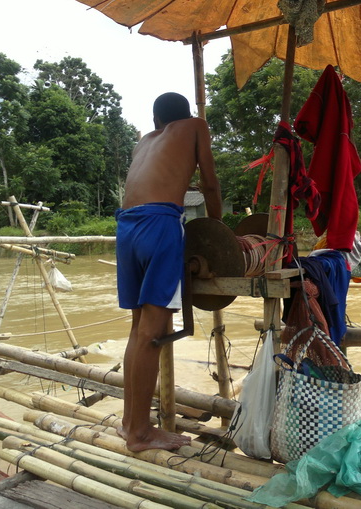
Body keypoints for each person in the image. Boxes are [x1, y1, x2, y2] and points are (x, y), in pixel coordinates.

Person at [115, 92, 222, 452]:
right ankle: (141, 434)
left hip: (127, 228)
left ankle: (130, 422)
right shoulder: (196, 126)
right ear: (185, 115)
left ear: (157, 120)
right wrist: (220, 228)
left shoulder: (145, 141)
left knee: (137, 330)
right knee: (153, 334)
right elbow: (209, 183)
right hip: (159, 225)